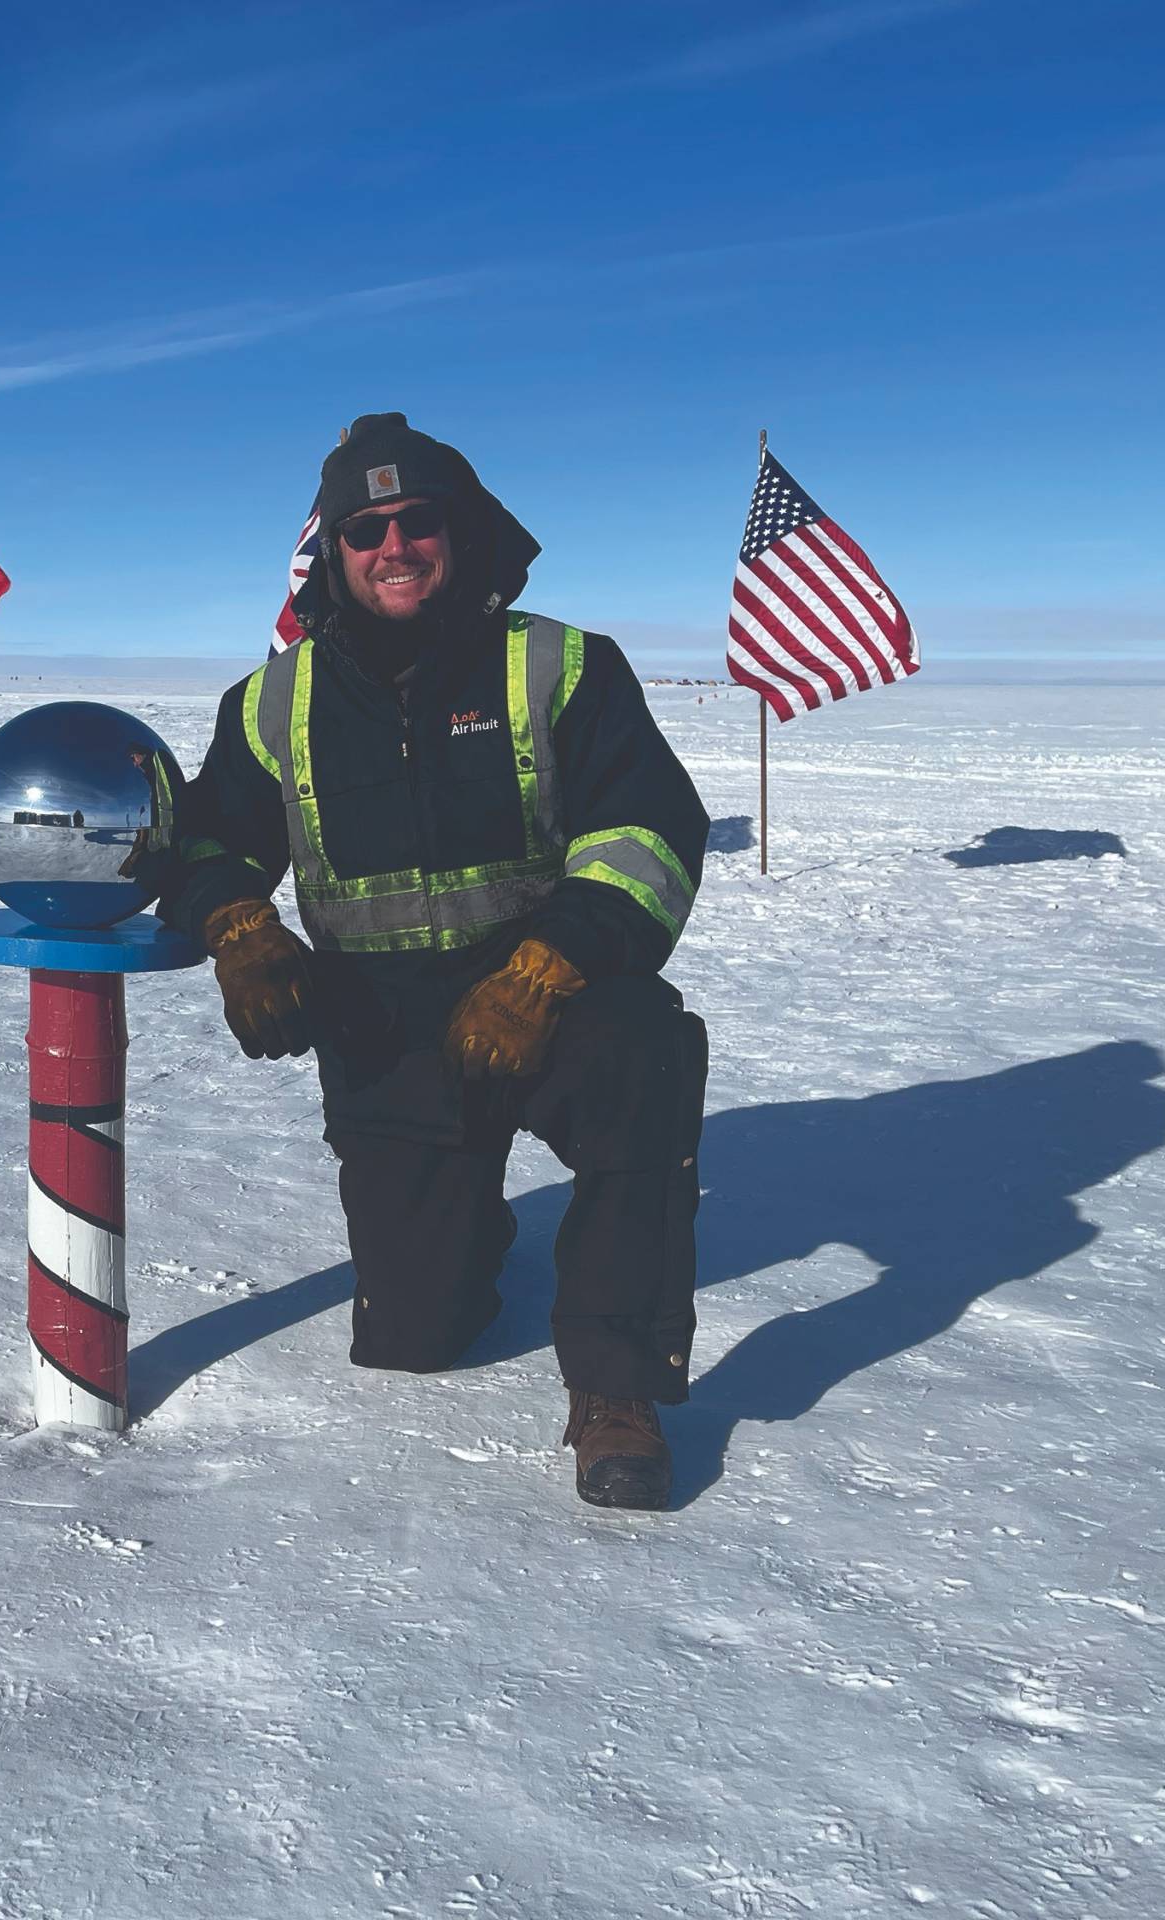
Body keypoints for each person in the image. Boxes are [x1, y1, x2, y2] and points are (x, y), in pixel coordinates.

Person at [162, 414, 710, 1509]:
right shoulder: (273, 701)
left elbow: (647, 834)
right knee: (417, 1336)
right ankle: (465, 1212)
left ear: (459, 532)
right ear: (336, 551)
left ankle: (615, 1385)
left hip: (552, 996)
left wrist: (548, 968)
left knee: (643, 1054)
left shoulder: (559, 665)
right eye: (366, 529)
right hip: (386, 1025)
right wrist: (235, 926)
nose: (393, 546)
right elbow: (209, 838)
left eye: (417, 520)